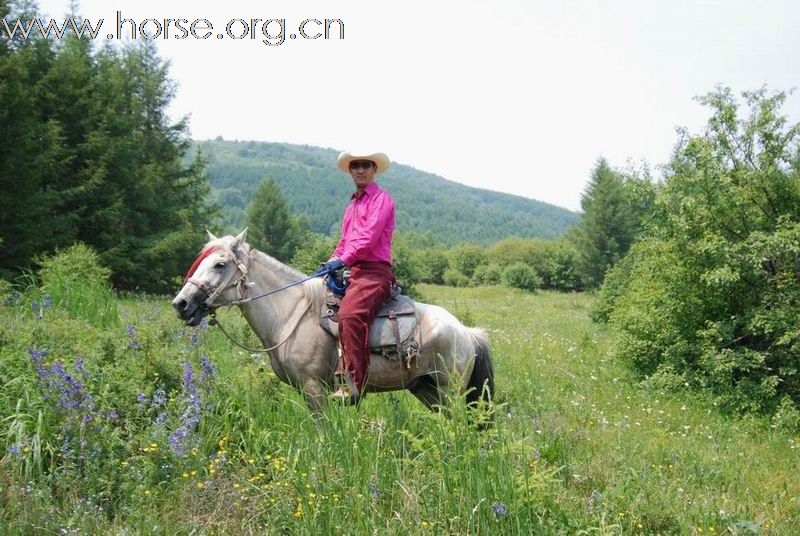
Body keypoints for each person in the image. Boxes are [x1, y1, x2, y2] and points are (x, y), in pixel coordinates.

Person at [321, 151, 396, 404]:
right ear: (350, 171)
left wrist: (343, 260)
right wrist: (332, 261)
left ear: (374, 169)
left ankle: (352, 383)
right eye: (355, 166)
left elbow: (367, 238)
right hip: (355, 271)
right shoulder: (352, 205)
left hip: (375, 272)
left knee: (350, 315)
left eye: (365, 165)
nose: (360, 170)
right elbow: (344, 242)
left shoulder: (381, 199)